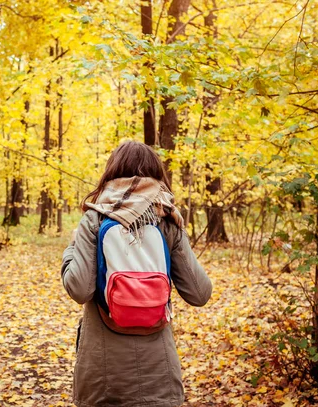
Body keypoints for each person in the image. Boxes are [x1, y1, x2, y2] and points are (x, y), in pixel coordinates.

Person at [61, 141, 212, 407]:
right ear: (156, 174)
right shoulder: (167, 220)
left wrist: (71, 250)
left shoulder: (94, 220)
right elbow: (200, 293)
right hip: (159, 372)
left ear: (111, 173)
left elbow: (79, 289)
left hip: (103, 374)